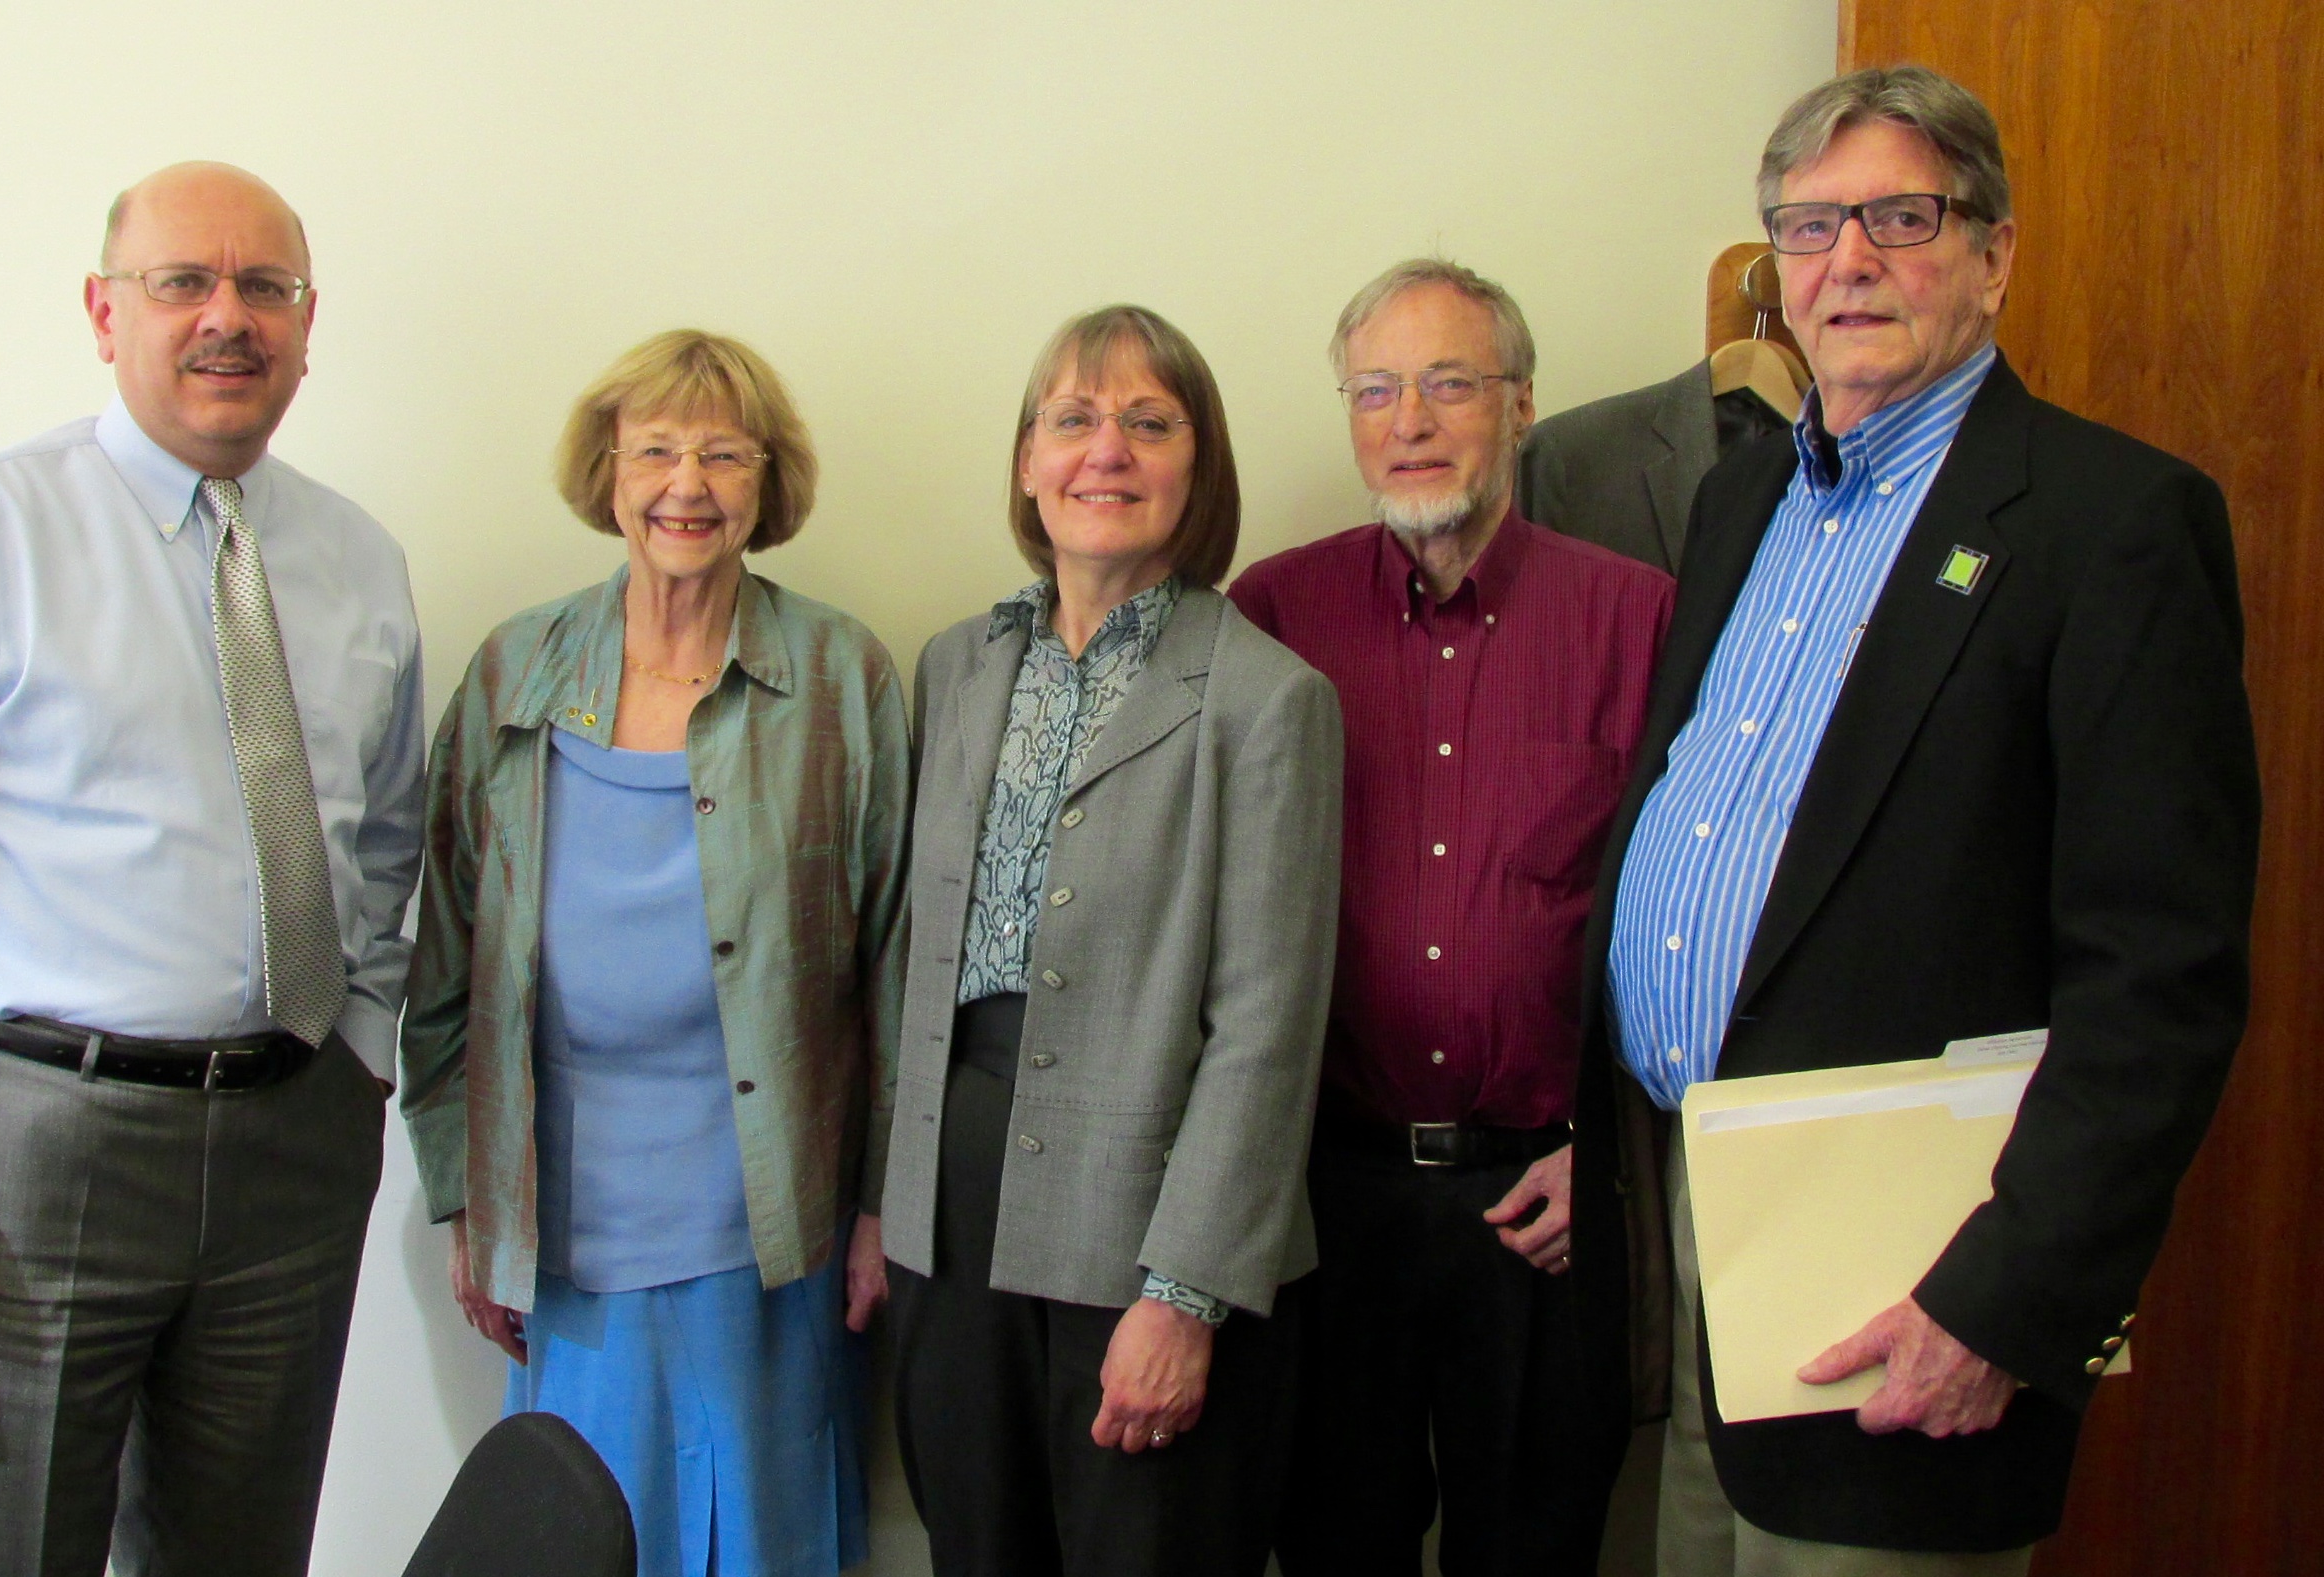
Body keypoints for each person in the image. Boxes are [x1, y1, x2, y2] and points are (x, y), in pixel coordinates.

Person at [1573, 65, 2260, 1575]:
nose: (1849, 262)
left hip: (1912, 1293)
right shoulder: (1741, 503)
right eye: (1808, 228)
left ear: (1995, 252)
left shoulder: (2110, 525)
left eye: (1901, 215)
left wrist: (2009, 1304)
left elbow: (2163, 981)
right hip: (1703, 1243)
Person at [0, 162, 424, 1577]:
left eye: (266, 287)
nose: (226, 317)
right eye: (183, 281)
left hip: (291, 1150)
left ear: (309, 327)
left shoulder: (359, 562)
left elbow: (383, 844)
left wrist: (357, 1060)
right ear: (103, 310)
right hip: (31, 1153)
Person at [400, 328, 907, 1577]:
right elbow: (446, 963)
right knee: (583, 1529)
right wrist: (467, 1196)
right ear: (609, 473)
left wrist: (886, 1203)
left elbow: (898, 965)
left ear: (765, 482)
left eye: (724, 454)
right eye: (659, 450)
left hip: (770, 1223)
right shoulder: (516, 668)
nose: (689, 483)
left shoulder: (841, 675)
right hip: (566, 1225)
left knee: (762, 1538)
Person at [876, 304, 1344, 1577]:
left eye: (1150, 423)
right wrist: (884, 1205)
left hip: (1145, 1214)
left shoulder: (1267, 698)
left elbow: (1267, 1027)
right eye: (1073, 420)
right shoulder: (956, 666)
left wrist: (1184, 1294)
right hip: (950, 1207)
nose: (1108, 452)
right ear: (1028, 460)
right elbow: (910, 959)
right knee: (977, 1545)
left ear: (1201, 466)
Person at [1230, 259, 1673, 1575]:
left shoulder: (1636, 619)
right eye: (1375, 389)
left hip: (1540, 1210)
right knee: (1331, 1547)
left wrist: (1606, 1149)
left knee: (1531, 1553)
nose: (1409, 419)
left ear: (1520, 404)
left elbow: (1683, 913)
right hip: (1327, 1205)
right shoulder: (1271, 616)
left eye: (1447, 384)